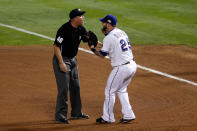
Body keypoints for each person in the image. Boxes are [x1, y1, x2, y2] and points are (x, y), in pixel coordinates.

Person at [89, 14, 137, 124]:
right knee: (121, 90)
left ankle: (108, 117)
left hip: (122, 69)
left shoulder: (109, 37)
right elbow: (112, 48)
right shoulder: (121, 32)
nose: (102, 25)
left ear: (109, 24)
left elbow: (102, 55)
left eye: (104, 23)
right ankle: (129, 114)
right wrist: (99, 44)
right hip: (132, 66)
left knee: (109, 91)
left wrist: (92, 49)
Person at [52, 8, 89, 124]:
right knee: (64, 89)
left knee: (76, 87)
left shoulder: (80, 28)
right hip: (63, 60)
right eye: (81, 16)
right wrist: (61, 62)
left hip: (73, 60)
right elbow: (56, 46)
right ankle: (60, 116)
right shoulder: (64, 29)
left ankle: (76, 113)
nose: (83, 18)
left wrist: (101, 44)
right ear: (74, 18)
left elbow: (88, 39)